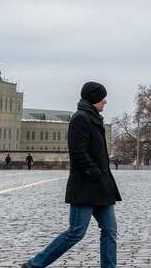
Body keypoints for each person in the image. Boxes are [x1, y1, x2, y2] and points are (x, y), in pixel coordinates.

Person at [23, 81, 120, 268]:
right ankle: (34, 265)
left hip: (102, 187)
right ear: (93, 98)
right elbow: (78, 153)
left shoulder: (94, 118)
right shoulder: (81, 119)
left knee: (110, 230)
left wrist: (101, 176)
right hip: (85, 186)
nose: (105, 101)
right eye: (102, 97)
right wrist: (95, 172)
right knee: (76, 232)